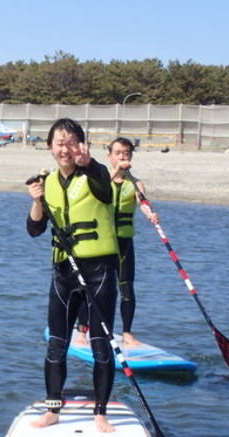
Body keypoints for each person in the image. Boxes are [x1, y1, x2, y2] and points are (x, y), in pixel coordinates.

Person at [25, 118, 118, 433]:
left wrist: (89, 163)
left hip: (99, 271)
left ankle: (100, 413)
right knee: (56, 344)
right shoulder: (46, 181)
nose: (64, 149)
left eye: (70, 142)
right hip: (64, 272)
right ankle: (52, 410)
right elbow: (35, 229)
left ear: (81, 145)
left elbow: (105, 191)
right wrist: (37, 201)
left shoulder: (97, 174)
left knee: (100, 345)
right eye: (58, 142)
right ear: (50, 146)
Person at [73, 137, 160, 347]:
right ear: (110, 156)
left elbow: (143, 203)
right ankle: (82, 331)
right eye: (119, 153)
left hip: (124, 243)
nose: (123, 156)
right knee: (91, 288)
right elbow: (103, 185)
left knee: (127, 287)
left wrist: (151, 214)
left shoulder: (135, 184)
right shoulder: (102, 180)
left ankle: (127, 333)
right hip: (102, 244)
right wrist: (117, 171)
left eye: (127, 153)